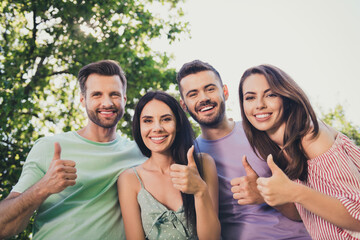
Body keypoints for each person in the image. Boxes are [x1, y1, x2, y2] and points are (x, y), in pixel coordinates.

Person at [0, 60, 145, 239]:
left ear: (124, 99)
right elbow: (3, 227)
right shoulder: (48, 148)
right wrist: (43, 187)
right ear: (83, 100)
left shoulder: (140, 154)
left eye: (114, 94)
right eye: (97, 95)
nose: (107, 103)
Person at [176, 60, 311, 240]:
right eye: (193, 94)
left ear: (225, 92)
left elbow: (305, 209)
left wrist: (264, 194)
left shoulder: (261, 131)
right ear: (184, 105)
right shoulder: (190, 157)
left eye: (210, 89)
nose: (203, 98)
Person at [238, 64, 360, 239]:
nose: (259, 105)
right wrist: (265, 195)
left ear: (286, 97)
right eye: (250, 98)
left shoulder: (311, 137)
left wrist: (294, 191)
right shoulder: (280, 147)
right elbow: (304, 213)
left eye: (270, 94)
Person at [118, 91, 220, 239]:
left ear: (178, 124)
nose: (157, 128)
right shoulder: (129, 179)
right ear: (139, 127)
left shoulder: (204, 163)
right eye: (148, 121)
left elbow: (212, 238)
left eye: (166, 119)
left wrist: (200, 191)